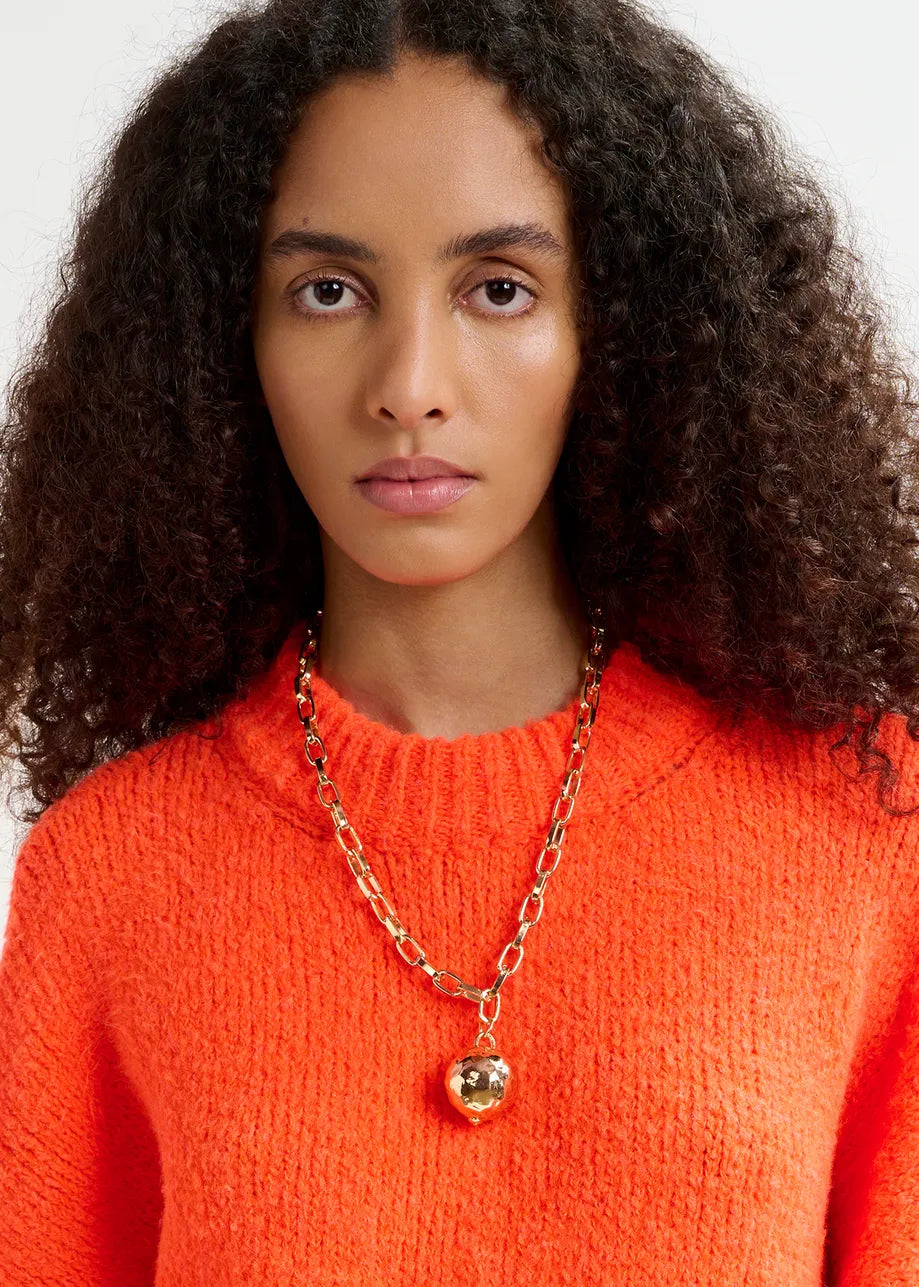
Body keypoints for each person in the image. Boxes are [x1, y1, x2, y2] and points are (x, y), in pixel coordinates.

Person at [1, 0, 917, 1282]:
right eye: (328, 291)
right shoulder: (107, 877)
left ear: (623, 330)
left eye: (499, 288)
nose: (409, 381)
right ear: (223, 344)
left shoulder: (862, 826)